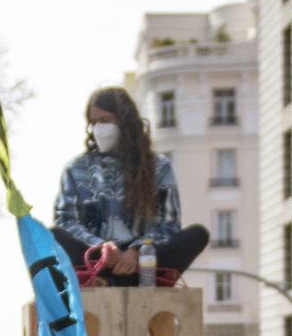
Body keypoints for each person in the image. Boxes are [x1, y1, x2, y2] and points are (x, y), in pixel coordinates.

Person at [52, 87, 208, 286]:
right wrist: (102, 248)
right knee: (51, 236)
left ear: (125, 123)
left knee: (197, 234)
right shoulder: (75, 168)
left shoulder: (159, 166)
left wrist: (137, 250)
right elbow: (66, 221)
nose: (98, 128)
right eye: (93, 122)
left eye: (105, 120)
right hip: (96, 261)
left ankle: (139, 280)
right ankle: (99, 279)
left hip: (146, 263)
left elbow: (169, 224)